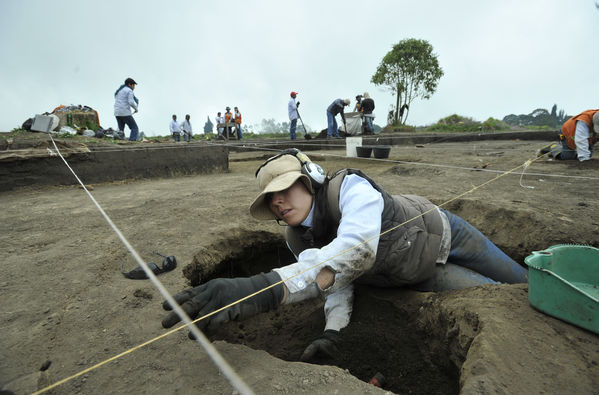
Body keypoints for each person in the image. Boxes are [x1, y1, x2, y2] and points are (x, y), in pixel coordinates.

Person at [161, 149, 528, 361]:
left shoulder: (350, 187)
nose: (276, 201)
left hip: (442, 231)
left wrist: (263, 287)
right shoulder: (297, 237)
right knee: (499, 299)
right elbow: (333, 280)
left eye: (283, 189)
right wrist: (334, 331)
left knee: (519, 282)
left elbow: (356, 248)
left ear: (309, 179)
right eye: (269, 199)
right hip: (415, 272)